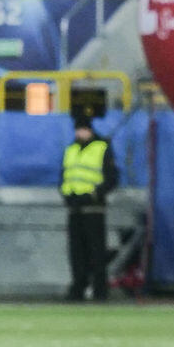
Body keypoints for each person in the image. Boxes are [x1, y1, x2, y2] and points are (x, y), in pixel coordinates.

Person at [60, 112, 118, 301]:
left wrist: (94, 195)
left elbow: (112, 178)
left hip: (94, 209)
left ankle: (100, 290)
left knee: (96, 252)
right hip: (75, 208)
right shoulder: (71, 149)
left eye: (83, 129)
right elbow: (65, 176)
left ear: (90, 130)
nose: (80, 133)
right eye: (78, 130)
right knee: (76, 253)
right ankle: (78, 287)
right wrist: (67, 195)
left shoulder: (102, 148)